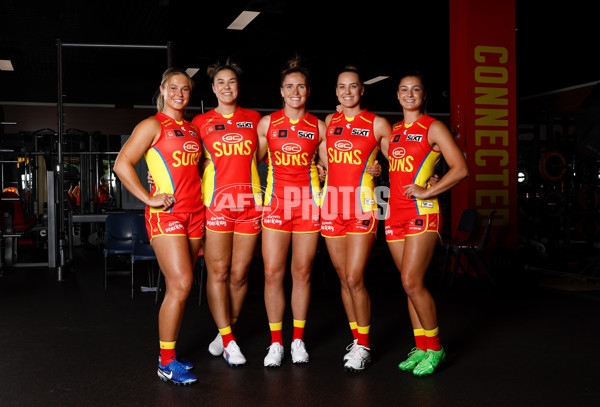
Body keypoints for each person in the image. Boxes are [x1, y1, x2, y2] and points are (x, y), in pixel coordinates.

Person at [113, 68, 203, 385]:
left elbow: (198, 171)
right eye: (174, 88)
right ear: (163, 90)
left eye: (186, 89)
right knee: (180, 284)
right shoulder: (152, 125)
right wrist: (148, 198)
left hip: (196, 215)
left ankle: (172, 354)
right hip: (167, 214)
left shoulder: (192, 130)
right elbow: (121, 164)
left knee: (181, 287)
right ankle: (165, 363)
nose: (180, 93)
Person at [383, 71, 468, 376]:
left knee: (411, 282)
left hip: (423, 212)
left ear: (423, 95)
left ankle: (436, 348)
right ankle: (421, 347)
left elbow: (460, 168)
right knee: (410, 287)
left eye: (415, 89)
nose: (409, 94)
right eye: (404, 89)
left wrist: (429, 189)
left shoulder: (433, 127)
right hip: (394, 215)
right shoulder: (393, 131)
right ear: (397, 95)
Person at [255, 58, 327, 367]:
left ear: (308, 91)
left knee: (302, 273)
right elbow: (246, 162)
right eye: (289, 86)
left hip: (309, 205)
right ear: (281, 92)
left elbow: (331, 167)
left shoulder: (319, 126)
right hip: (275, 205)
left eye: (300, 86)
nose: (295, 91)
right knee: (272, 273)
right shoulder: (267, 124)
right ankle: (276, 343)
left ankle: (297, 339)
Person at [320, 65, 391, 372]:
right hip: (332, 206)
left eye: (353, 87)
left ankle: (364, 345)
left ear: (362, 90)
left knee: (354, 277)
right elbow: (323, 156)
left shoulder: (377, 124)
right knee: (342, 278)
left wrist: (382, 170)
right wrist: (322, 170)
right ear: (336, 92)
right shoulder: (330, 120)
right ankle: (356, 338)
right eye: (341, 87)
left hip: (362, 206)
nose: (347, 91)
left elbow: (399, 159)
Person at [192, 61, 262, 367]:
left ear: (238, 86)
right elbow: (185, 161)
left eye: (231, 82)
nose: (226, 87)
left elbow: (265, 155)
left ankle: (224, 332)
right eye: (220, 82)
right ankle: (230, 340)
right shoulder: (200, 122)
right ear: (213, 88)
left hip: (249, 205)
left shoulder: (254, 118)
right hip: (217, 206)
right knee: (218, 272)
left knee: (239, 274)